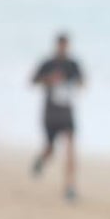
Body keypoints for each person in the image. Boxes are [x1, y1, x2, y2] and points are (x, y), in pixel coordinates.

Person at [31, 33, 85, 202]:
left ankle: (70, 186)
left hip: (66, 111)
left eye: (65, 45)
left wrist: (71, 83)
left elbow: (82, 83)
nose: (63, 48)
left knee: (70, 148)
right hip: (50, 112)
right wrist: (49, 79)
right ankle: (41, 159)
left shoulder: (73, 65)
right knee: (50, 149)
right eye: (61, 45)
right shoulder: (48, 64)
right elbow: (33, 81)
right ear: (57, 45)